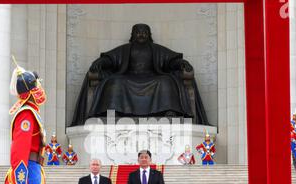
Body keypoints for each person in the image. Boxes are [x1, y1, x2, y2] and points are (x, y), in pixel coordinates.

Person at [70, 23, 210, 126]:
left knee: (166, 81)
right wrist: (100, 62)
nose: (141, 34)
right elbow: (110, 59)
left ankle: (169, 111)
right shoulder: (125, 49)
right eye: (138, 32)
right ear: (133, 35)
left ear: (149, 35)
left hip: (152, 77)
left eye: (144, 32)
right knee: (115, 82)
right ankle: (114, 112)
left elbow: (171, 61)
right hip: (128, 77)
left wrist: (181, 63)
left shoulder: (156, 49)